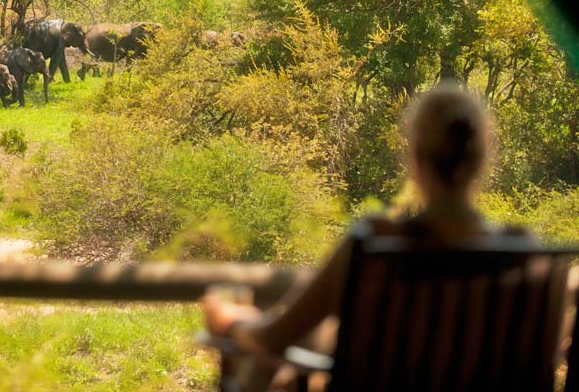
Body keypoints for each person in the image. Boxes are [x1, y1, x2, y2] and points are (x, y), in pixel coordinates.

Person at [201, 84, 534, 391]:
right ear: (482, 160)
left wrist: (232, 322)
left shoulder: (378, 241)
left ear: (414, 159)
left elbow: (274, 339)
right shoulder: (524, 253)